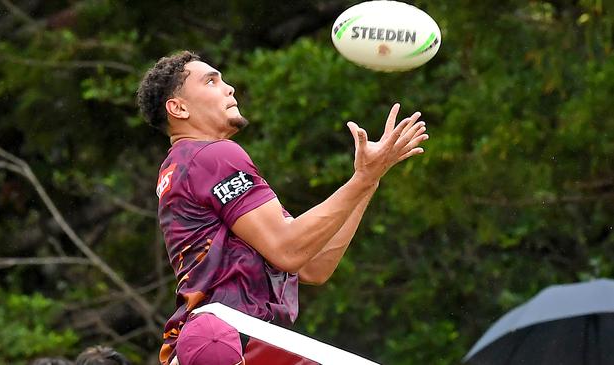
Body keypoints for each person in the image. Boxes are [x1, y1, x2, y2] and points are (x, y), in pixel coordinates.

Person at [136, 51, 428, 365]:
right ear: (178, 108)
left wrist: (369, 179)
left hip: (237, 339)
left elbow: (312, 265)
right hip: (222, 339)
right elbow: (288, 250)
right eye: (211, 81)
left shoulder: (191, 161)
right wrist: (362, 179)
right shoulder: (213, 155)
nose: (229, 87)